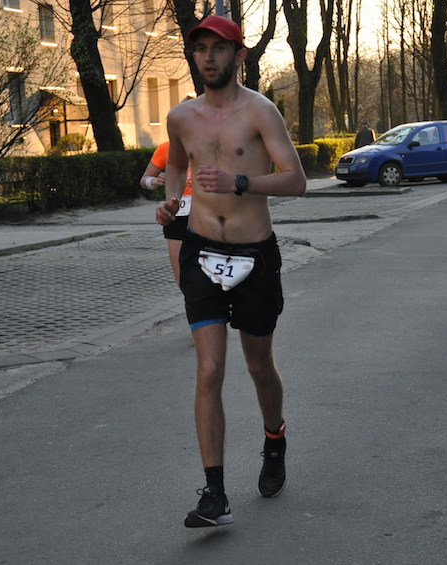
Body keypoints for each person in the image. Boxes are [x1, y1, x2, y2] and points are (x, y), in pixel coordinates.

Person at [155, 15, 306, 528]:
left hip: (254, 256)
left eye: (218, 48)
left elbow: (296, 180)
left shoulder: (260, 111)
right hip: (200, 251)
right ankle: (214, 493)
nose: (208, 57)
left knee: (259, 367)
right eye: (200, 48)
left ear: (239, 56)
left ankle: (274, 438)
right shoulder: (181, 116)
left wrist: (241, 182)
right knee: (209, 370)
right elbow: (177, 165)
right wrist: (173, 202)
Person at [140, 141, 193, 285]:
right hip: (177, 215)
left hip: (204, 214)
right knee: (181, 275)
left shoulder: (206, 144)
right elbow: (144, 180)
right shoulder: (165, 148)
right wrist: (154, 181)